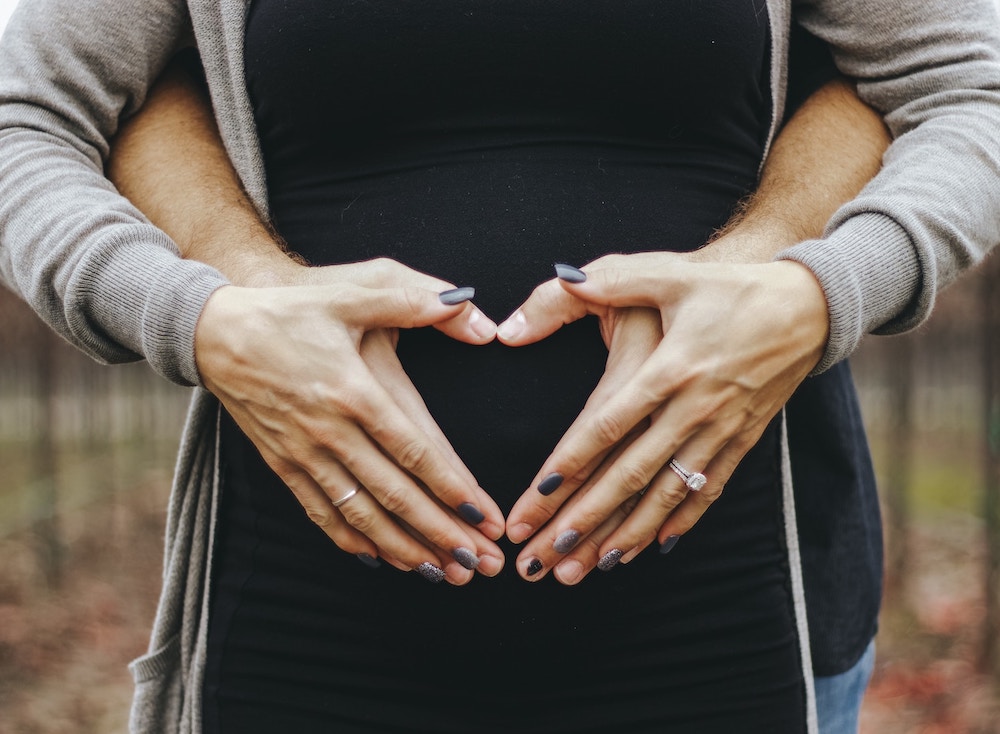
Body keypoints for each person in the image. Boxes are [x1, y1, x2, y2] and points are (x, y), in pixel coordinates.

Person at [1, 1, 999, 733]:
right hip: (299, 632)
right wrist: (208, 315)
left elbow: (962, 84)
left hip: (735, 621)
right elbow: (31, 116)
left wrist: (812, 286)